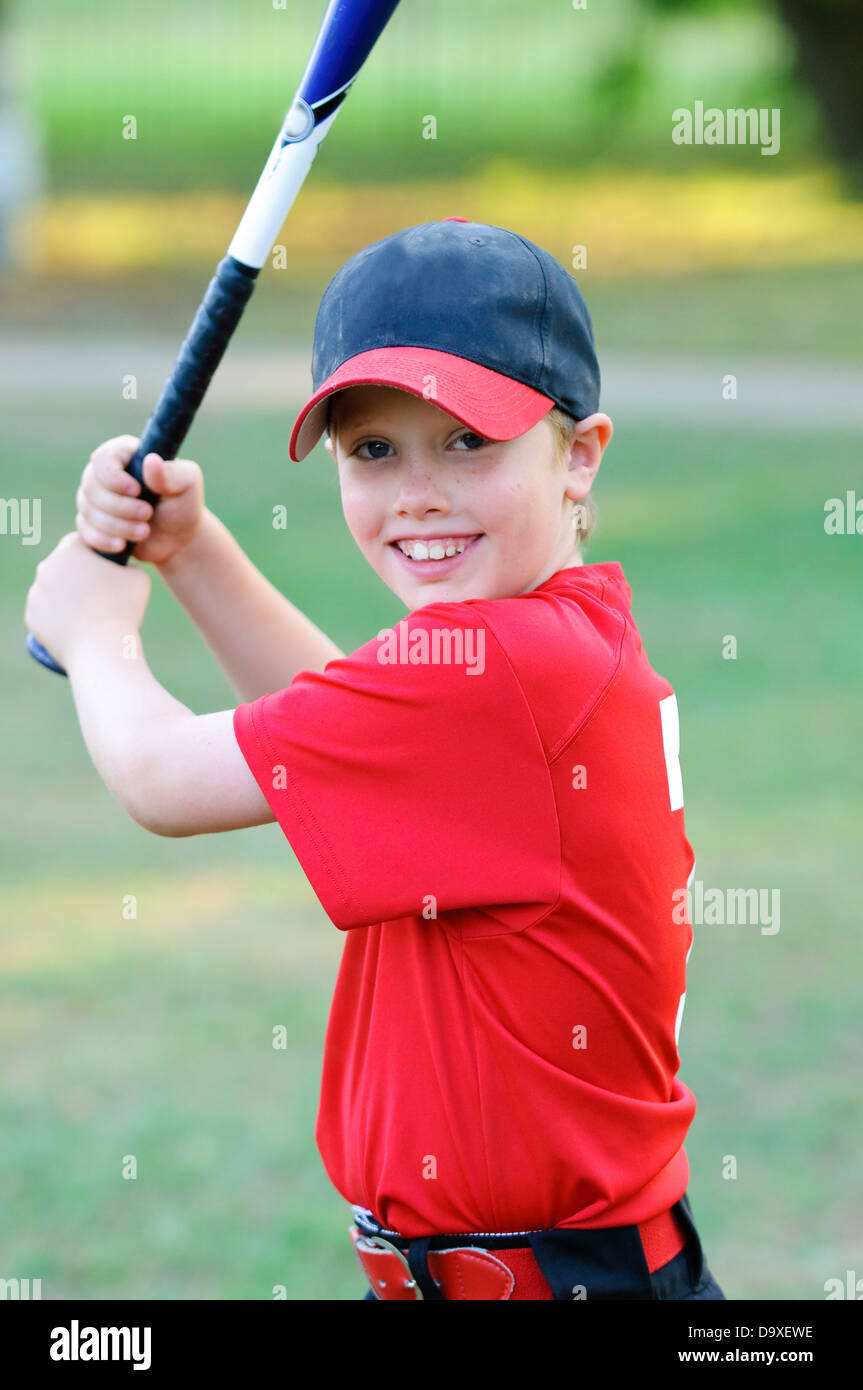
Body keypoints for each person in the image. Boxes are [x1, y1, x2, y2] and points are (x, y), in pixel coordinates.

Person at [25, 218, 726, 1300]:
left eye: (466, 442)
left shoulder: (493, 667)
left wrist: (93, 634)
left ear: (579, 453)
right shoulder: (553, 641)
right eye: (373, 450)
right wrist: (192, 551)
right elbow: (335, 734)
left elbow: (161, 780)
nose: (418, 493)